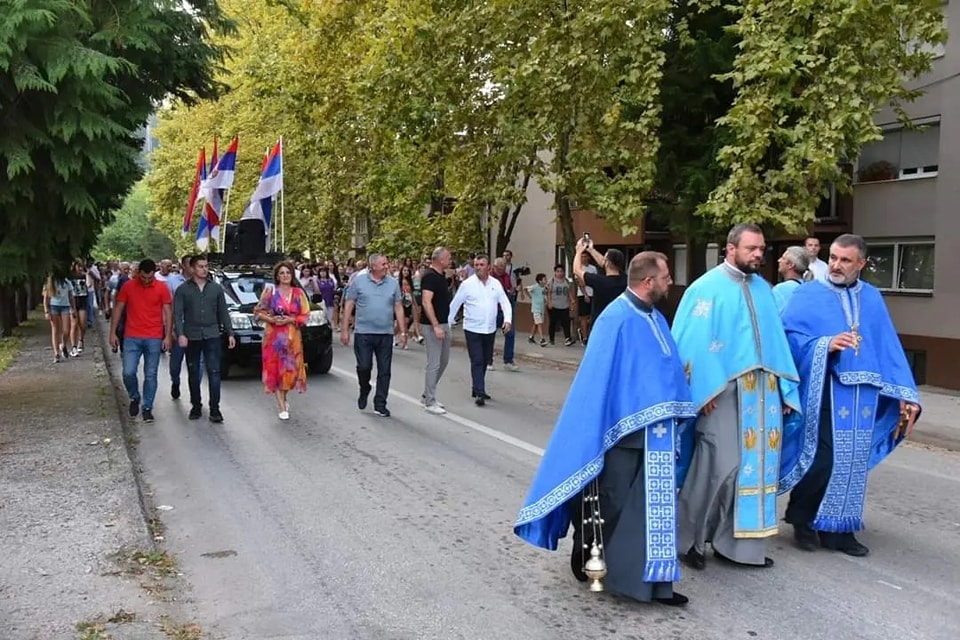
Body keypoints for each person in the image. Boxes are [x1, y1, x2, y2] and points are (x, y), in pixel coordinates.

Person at [515, 252, 696, 607]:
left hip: (655, 435)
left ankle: (651, 581)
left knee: (651, 510)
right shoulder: (615, 318)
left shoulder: (656, 317)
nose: (669, 283)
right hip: (621, 434)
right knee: (610, 506)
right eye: (665, 277)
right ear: (648, 282)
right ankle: (587, 550)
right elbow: (596, 382)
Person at [779, 234, 921, 557]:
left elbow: (887, 346)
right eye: (833, 257)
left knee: (853, 462)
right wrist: (824, 345)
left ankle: (838, 529)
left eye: (845, 260)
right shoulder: (809, 295)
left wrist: (905, 394)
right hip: (826, 387)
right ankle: (802, 519)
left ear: (861, 264)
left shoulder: (871, 298)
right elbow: (789, 339)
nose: (836, 265)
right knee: (824, 457)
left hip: (865, 395)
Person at [671, 223, 801, 570]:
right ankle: (688, 541)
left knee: (755, 472)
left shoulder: (764, 290)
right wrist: (702, 389)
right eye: (751, 248)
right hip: (723, 392)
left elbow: (776, 342)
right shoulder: (705, 289)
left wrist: (785, 390)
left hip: (763, 393)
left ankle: (740, 548)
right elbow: (690, 341)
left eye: (761, 249)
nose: (759, 254)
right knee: (717, 466)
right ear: (731, 248)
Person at [341, 253, 405, 418]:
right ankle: (364, 388)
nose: (386, 266)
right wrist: (345, 329)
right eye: (383, 264)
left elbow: (398, 307)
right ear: (373, 266)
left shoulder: (393, 284)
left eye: (386, 263)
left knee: (385, 371)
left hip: (385, 334)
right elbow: (349, 304)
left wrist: (403, 331)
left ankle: (380, 403)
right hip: (363, 333)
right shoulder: (359, 282)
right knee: (364, 367)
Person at [109, 259, 173, 423]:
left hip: (153, 336)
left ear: (154, 274)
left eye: (149, 278)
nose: (146, 281)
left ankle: (147, 407)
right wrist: (113, 333)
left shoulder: (161, 288)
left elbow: (168, 312)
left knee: (150, 374)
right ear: (138, 273)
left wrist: (167, 336)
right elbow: (118, 308)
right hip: (132, 336)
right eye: (143, 277)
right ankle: (134, 396)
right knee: (128, 372)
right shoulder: (129, 286)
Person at [173, 255, 236, 423]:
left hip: (212, 334)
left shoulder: (215, 288)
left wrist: (230, 332)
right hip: (192, 335)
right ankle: (196, 405)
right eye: (200, 266)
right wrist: (180, 334)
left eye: (206, 266)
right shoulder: (183, 290)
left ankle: (215, 408)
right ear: (192, 269)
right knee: (193, 371)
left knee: (214, 371)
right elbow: (178, 314)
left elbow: (223, 311)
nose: (204, 269)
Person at [448, 254, 511, 406]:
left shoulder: (495, 283)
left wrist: (507, 320)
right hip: (472, 328)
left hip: (489, 329)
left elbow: (505, 302)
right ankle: (480, 392)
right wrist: (447, 325)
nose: (478, 267)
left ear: (488, 267)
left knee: (485, 360)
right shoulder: (467, 284)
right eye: (476, 265)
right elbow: (455, 304)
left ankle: (476, 387)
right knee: (477, 360)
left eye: (481, 265)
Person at [254, 261, 310, 420]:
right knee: (275, 371)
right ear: (277, 276)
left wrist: (290, 320)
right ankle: (281, 406)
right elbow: (258, 312)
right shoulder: (270, 292)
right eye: (282, 273)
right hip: (273, 338)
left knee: (290, 373)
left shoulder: (298, 293)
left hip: (292, 339)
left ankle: (284, 397)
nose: (285, 275)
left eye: (288, 272)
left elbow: (305, 316)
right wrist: (271, 319)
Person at [420, 247, 453, 415]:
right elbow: (426, 302)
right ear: (440, 259)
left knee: (444, 361)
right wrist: (435, 326)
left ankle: (428, 392)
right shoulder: (429, 276)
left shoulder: (441, 276)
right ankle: (429, 401)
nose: (450, 260)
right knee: (434, 363)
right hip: (433, 325)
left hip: (444, 323)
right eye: (448, 257)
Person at [573, 239, 627, 323]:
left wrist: (578, 251)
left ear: (607, 263)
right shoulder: (625, 279)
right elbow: (603, 262)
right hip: (618, 321)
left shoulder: (599, 281)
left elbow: (577, 270)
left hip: (601, 322)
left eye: (605, 258)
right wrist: (591, 249)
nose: (603, 260)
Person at [43, 275, 76, 363]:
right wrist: (46, 311)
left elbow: (71, 296)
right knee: (55, 330)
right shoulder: (50, 281)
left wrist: (73, 309)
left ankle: (63, 345)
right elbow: (46, 297)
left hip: (65, 306)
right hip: (54, 307)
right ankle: (56, 353)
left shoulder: (66, 281)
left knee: (66, 330)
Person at [772, 246, 812, 313]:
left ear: (791, 265)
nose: (779, 260)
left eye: (783, 258)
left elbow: (768, 316)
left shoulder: (781, 289)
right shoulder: (808, 288)